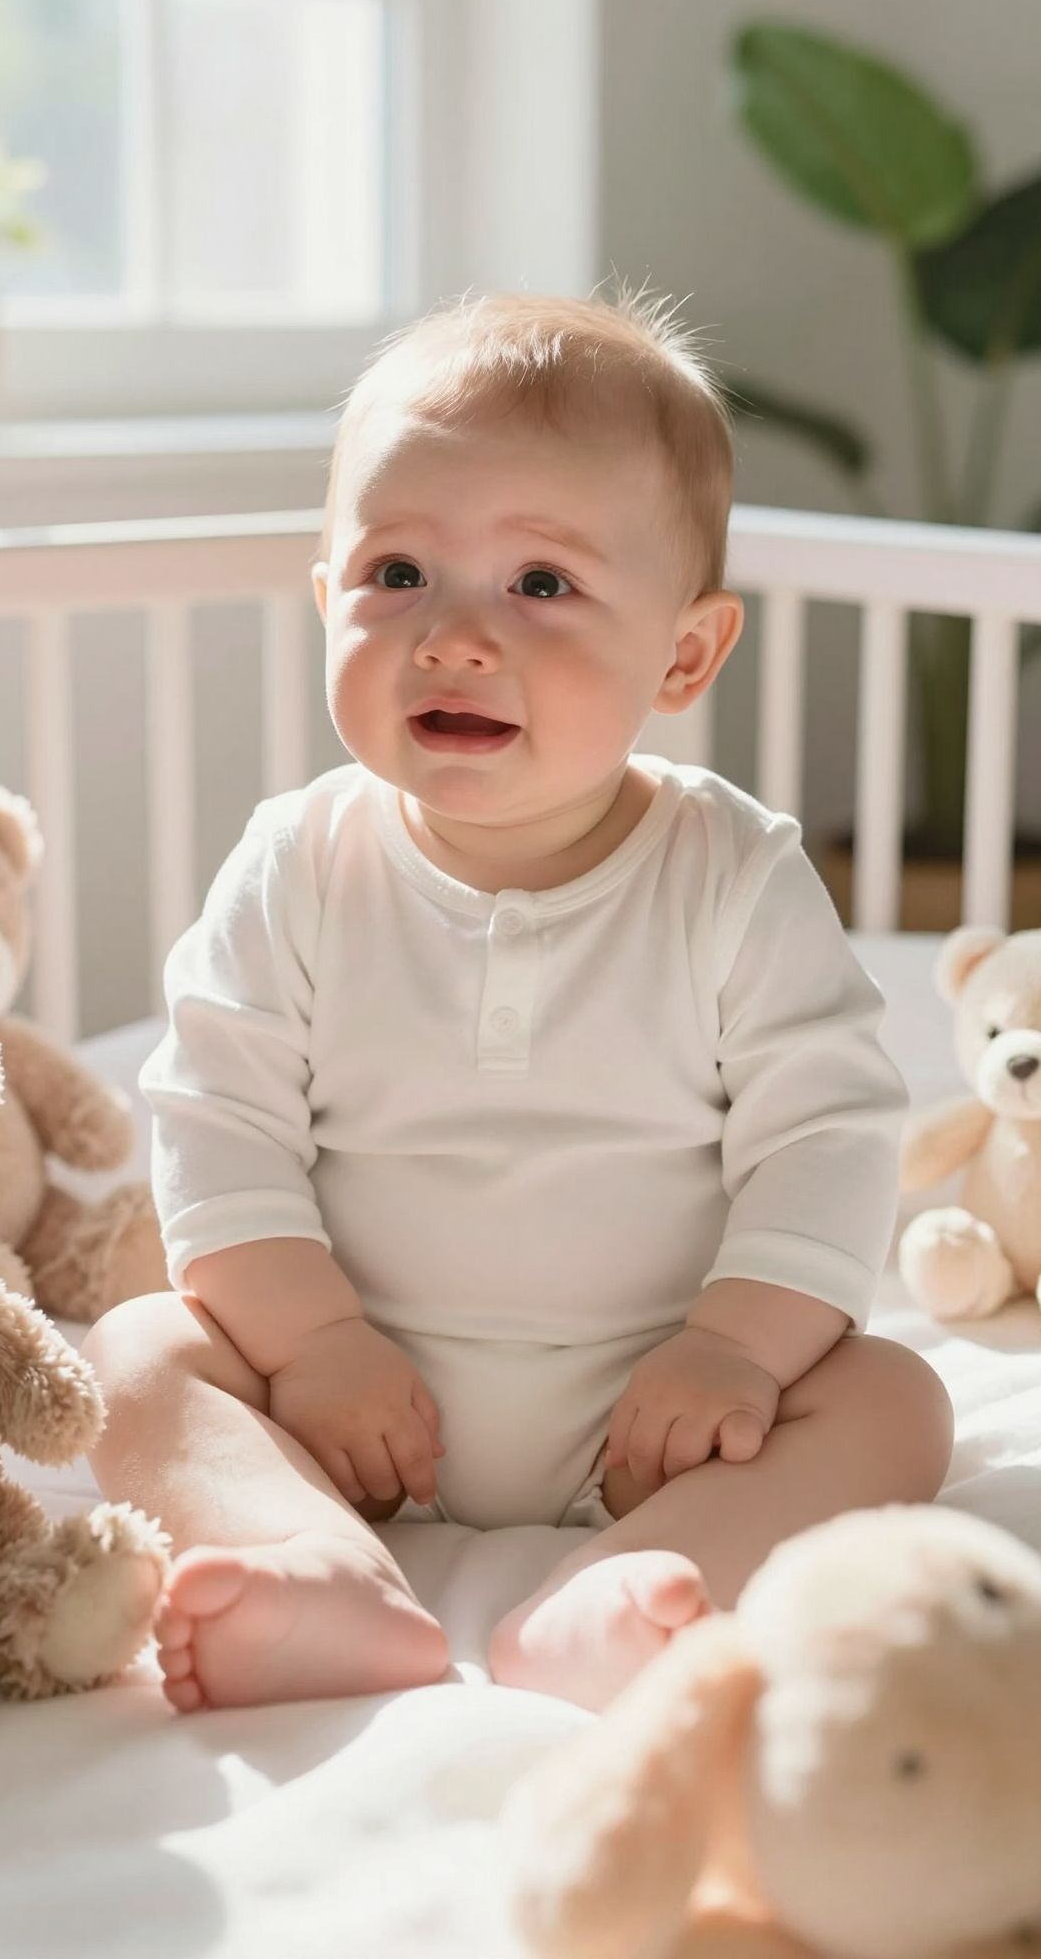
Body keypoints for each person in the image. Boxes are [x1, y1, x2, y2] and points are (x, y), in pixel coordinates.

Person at [82, 290, 954, 1716]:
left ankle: (633, 1588)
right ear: (327, 602)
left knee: (890, 1403)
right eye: (399, 573)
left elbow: (830, 1135)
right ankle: (318, 1568)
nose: (458, 636)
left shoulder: (733, 871)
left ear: (682, 655)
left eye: (541, 585)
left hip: (661, 1411)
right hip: (342, 1394)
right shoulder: (299, 860)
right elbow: (214, 1120)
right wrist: (310, 1347)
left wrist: (734, 1346)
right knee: (135, 1358)